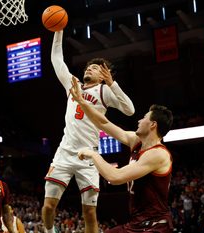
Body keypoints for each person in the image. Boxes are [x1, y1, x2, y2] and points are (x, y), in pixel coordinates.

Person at [41, 30, 135, 233]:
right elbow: (57, 58)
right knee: (49, 206)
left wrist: (112, 83)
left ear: (102, 76)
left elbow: (130, 110)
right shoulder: (73, 84)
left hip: (89, 156)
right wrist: (59, 31)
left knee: (90, 213)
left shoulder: (104, 91)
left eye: (95, 68)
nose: (89, 68)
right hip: (65, 152)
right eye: (89, 66)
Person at [70, 77, 174, 233]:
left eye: (144, 117)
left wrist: (93, 154)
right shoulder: (135, 141)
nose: (139, 120)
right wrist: (82, 102)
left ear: (153, 124)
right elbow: (104, 124)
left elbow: (115, 177)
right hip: (137, 224)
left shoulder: (158, 154)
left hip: (156, 226)